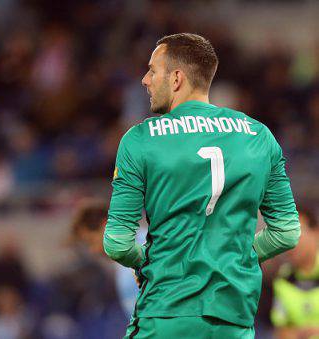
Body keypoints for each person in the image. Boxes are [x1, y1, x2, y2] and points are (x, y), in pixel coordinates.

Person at [103, 33, 301, 338]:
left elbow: (117, 243)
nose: (145, 79)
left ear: (177, 78)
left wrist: (151, 261)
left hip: (166, 311)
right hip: (233, 317)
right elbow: (287, 232)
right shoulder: (260, 137)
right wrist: (238, 255)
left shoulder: (140, 140)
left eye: (153, 70)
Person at [70, 199, 146, 318]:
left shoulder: (151, 247)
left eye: (91, 241)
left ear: (105, 226)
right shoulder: (124, 267)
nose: (93, 250)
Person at [271, 209, 319, 339]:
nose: (290, 242)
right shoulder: (282, 279)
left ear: (316, 233)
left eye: (297, 232)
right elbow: (281, 331)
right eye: (284, 235)